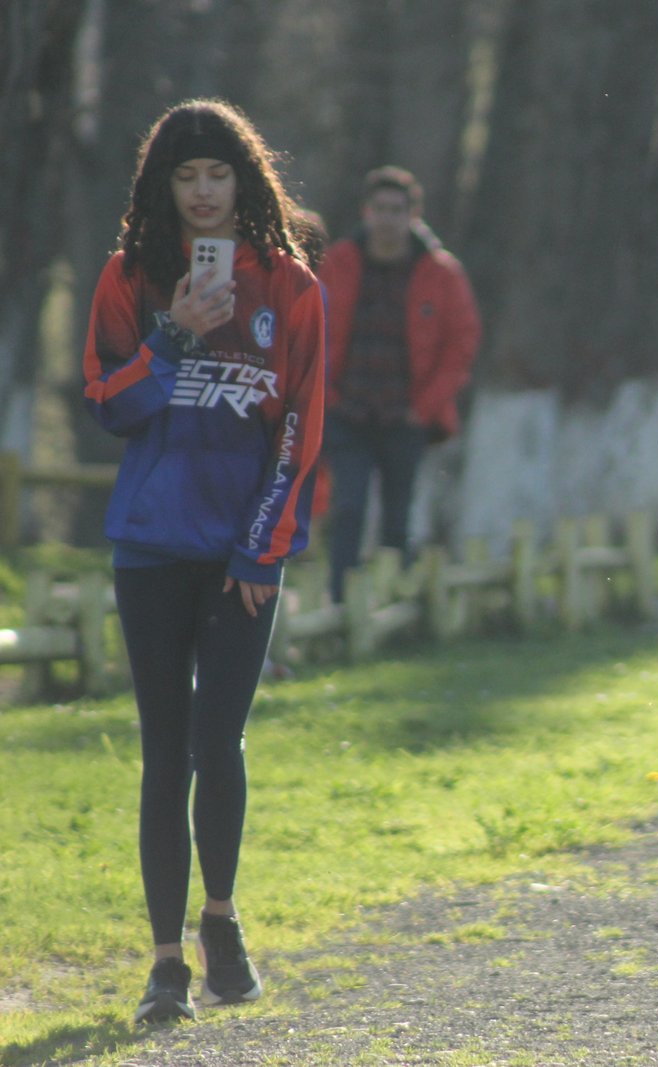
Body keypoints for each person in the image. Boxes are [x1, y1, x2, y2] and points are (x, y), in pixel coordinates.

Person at [82, 98, 326, 1024]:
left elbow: (301, 426)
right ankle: (164, 963)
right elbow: (110, 404)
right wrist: (174, 331)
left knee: (216, 742)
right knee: (161, 753)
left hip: (242, 555)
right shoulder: (130, 277)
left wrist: (264, 548)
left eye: (218, 174)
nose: (204, 193)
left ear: (244, 178)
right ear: (162, 187)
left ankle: (221, 919)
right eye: (186, 177)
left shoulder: (292, 287)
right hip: (149, 548)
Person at [317, 165, 481, 602]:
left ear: (414, 213)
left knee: (396, 519)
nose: (387, 218)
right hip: (345, 411)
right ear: (366, 212)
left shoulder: (441, 273)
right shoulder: (337, 263)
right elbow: (309, 329)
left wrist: (422, 408)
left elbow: (461, 345)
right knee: (347, 508)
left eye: (397, 209)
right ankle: (340, 604)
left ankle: (393, 606)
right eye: (380, 209)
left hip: (405, 417)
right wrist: (326, 397)